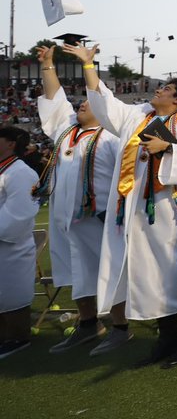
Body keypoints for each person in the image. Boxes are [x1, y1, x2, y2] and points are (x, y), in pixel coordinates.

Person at [66, 42, 177, 368]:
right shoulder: (139, 118)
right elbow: (106, 107)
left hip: (165, 209)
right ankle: (167, 337)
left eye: (168, 88)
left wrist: (167, 149)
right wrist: (89, 66)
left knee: (174, 271)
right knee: (144, 271)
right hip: (131, 210)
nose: (159, 88)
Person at [34, 45, 127, 354]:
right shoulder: (66, 133)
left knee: (108, 268)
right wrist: (48, 64)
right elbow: (54, 101)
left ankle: (121, 327)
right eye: (81, 101)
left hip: (98, 216)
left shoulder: (113, 136)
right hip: (66, 217)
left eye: (88, 102)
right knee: (74, 269)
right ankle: (88, 324)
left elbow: (126, 176)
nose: (81, 105)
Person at [0, 125, 39, 360]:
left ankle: (17, 337)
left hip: (10, 245)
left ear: (11, 143)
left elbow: (20, 212)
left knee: (11, 292)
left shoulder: (21, 172)